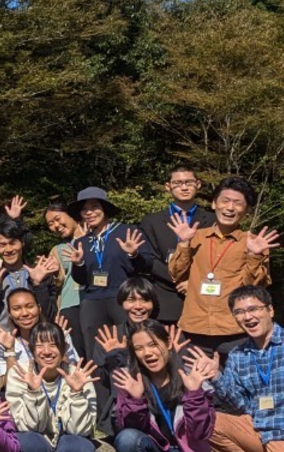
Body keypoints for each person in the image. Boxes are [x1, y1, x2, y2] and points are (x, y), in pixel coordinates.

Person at [106, 320, 222, 452]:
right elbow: (129, 431)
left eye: (153, 344)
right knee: (126, 438)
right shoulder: (132, 380)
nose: (148, 353)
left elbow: (201, 432)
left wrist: (194, 395)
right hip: (155, 448)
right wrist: (135, 401)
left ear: (168, 344)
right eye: (139, 348)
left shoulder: (191, 377)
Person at [67, 187, 154, 430]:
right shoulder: (82, 241)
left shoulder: (128, 231)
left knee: (126, 353)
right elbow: (81, 279)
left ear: (105, 209)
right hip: (93, 300)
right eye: (84, 209)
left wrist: (134, 253)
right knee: (96, 359)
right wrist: (79, 263)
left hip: (122, 298)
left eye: (94, 207)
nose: (88, 212)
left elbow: (146, 264)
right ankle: (104, 419)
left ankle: (132, 407)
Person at [168, 177, 277, 354]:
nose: (230, 208)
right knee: (194, 381)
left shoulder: (255, 243)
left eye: (238, 203)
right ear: (214, 204)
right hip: (194, 329)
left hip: (234, 331)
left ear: (247, 211)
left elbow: (255, 288)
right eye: (225, 201)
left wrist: (253, 255)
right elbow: (176, 274)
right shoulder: (195, 237)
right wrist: (184, 244)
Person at [4, 322, 99, 452]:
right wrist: (33, 392)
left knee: (81, 448)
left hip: (67, 441)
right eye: (40, 346)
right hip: (37, 443)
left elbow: (82, 430)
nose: (47, 351)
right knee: (27, 443)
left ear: (64, 349)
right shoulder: (20, 373)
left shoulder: (78, 374)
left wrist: (77, 394)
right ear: (31, 350)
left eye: (53, 345)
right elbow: (26, 426)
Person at [209, 285, 284, 452]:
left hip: (282, 431)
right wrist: (216, 377)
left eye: (254, 309)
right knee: (203, 420)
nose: (247, 317)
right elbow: (238, 404)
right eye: (239, 312)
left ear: (270, 310)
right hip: (259, 429)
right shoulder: (237, 355)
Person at [139, 167, 215, 325]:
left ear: (198, 184)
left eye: (189, 182)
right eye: (178, 183)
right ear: (168, 186)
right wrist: (178, 280)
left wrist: (193, 283)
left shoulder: (213, 220)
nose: (184, 187)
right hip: (166, 298)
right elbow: (151, 260)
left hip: (205, 297)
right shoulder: (151, 221)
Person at [44, 201, 87, 361]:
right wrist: (54, 273)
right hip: (70, 305)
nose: (56, 225)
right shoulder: (58, 249)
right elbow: (57, 285)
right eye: (50, 224)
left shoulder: (96, 239)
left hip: (96, 301)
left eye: (57, 218)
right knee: (77, 357)